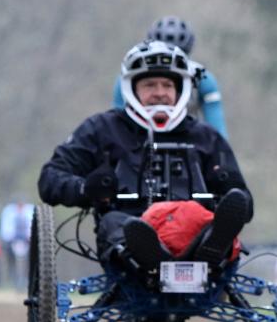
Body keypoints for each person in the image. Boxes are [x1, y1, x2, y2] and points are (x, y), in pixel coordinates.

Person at [40, 40, 251, 274]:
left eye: (167, 85)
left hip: (194, 232)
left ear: (179, 90)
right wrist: (85, 189)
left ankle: (207, 251)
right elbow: (49, 179)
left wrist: (225, 191)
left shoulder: (206, 137)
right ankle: (154, 259)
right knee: (118, 224)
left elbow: (244, 203)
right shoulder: (101, 129)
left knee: (212, 224)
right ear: (131, 88)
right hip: (130, 233)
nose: (160, 93)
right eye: (150, 85)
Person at [113, 16, 229, 138]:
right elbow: (119, 122)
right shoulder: (125, 79)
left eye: (168, 84)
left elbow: (217, 130)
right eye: (150, 84)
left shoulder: (204, 78)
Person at [0, 199, 34, 289]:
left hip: (27, 241)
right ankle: (13, 279)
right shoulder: (9, 212)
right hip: (13, 241)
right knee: (11, 259)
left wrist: (30, 238)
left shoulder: (29, 211)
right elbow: (6, 229)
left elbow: (31, 227)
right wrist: (9, 239)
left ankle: (27, 279)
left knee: (31, 258)